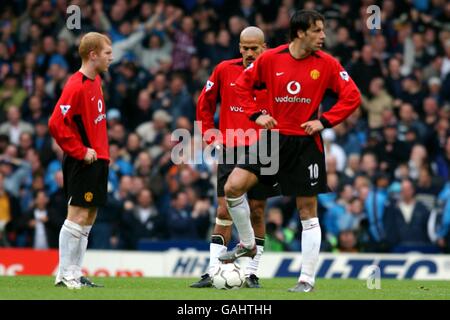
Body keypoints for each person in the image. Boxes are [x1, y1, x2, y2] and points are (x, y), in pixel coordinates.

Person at [218, 10, 361, 292]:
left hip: (306, 143)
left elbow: (352, 96)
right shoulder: (271, 59)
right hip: (273, 139)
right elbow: (241, 85)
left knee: (307, 210)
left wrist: (324, 121)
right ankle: (247, 243)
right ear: (300, 33)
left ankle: (306, 279)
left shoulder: (328, 64)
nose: (323, 36)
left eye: (323, 30)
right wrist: (256, 114)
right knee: (233, 187)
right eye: (317, 31)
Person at [192, 26, 279, 289]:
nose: (250, 53)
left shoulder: (276, 72)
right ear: (239, 47)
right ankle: (213, 270)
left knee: (257, 211)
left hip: (265, 147)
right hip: (231, 147)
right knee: (223, 210)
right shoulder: (224, 69)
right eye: (246, 48)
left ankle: (251, 273)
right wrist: (210, 136)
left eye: (255, 48)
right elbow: (204, 103)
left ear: (264, 47)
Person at [48, 32, 113, 289]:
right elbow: (56, 123)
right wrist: (79, 150)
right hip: (83, 160)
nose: (111, 57)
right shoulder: (76, 85)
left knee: (89, 218)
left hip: (99, 159)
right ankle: (64, 274)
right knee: (76, 216)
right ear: (93, 54)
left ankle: (75, 272)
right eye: (107, 53)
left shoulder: (95, 82)